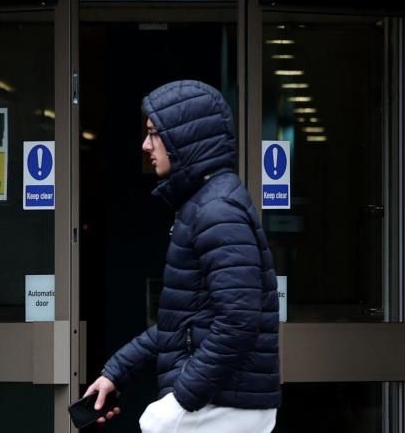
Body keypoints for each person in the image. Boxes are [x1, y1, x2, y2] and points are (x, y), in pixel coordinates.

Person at [82, 80, 281, 433]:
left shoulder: (218, 210)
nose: (145, 145)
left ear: (185, 139)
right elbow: (184, 325)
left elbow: (238, 321)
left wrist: (180, 402)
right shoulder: (205, 204)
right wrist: (117, 372)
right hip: (217, 405)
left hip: (221, 409)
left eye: (154, 134)